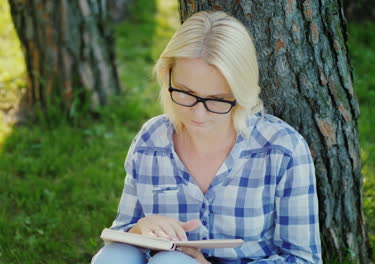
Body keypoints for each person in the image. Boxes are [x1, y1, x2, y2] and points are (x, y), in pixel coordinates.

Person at [91, 11, 322, 264]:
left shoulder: (282, 149)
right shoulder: (151, 140)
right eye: (185, 93)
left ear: (241, 93)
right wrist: (140, 228)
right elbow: (119, 236)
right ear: (167, 75)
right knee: (114, 257)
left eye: (217, 99)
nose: (198, 114)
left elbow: (303, 259)